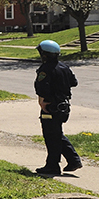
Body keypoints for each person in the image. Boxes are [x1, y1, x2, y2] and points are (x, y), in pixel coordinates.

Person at [34, 40, 83, 175]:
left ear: (45, 54)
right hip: (64, 106)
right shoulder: (64, 67)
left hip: (50, 106)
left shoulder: (45, 69)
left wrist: (42, 102)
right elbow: (74, 82)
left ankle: (53, 166)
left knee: (51, 136)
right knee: (56, 134)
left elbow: (41, 88)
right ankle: (73, 160)